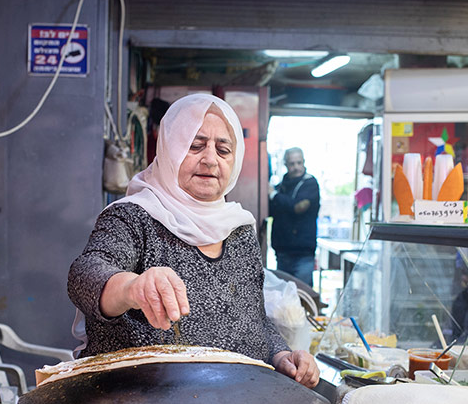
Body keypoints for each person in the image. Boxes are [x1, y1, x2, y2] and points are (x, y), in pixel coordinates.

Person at [68, 94, 319, 388]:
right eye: (194, 145)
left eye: (223, 150)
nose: (210, 159)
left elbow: (253, 320)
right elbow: (84, 275)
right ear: (170, 149)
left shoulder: (238, 229)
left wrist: (281, 355)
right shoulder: (133, 217)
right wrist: (132, 288)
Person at [269, 147, 320, 285]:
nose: (296, 167)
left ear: (304, 162)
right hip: (282, 252)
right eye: (292, 164)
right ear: (286, 165)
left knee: (303, 299)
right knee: (284, 300)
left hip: (303, 254)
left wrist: (274, 196)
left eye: (299, 162)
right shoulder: (281, 186)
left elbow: (298, 207)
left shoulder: (310, 184)